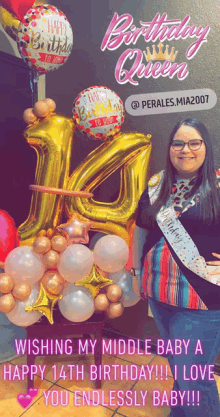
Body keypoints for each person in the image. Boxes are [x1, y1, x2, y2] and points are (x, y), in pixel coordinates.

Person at [132, 118, 220, 417]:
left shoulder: (218, 185)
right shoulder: (157, 185)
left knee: (194, 378)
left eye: (194, 142)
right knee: (179, 368)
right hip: (159, 294)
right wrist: (135, 272)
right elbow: (140, 229)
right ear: (170, 148)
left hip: (201, 300)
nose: (186, 149)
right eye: (178, 143)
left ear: (206, 146)